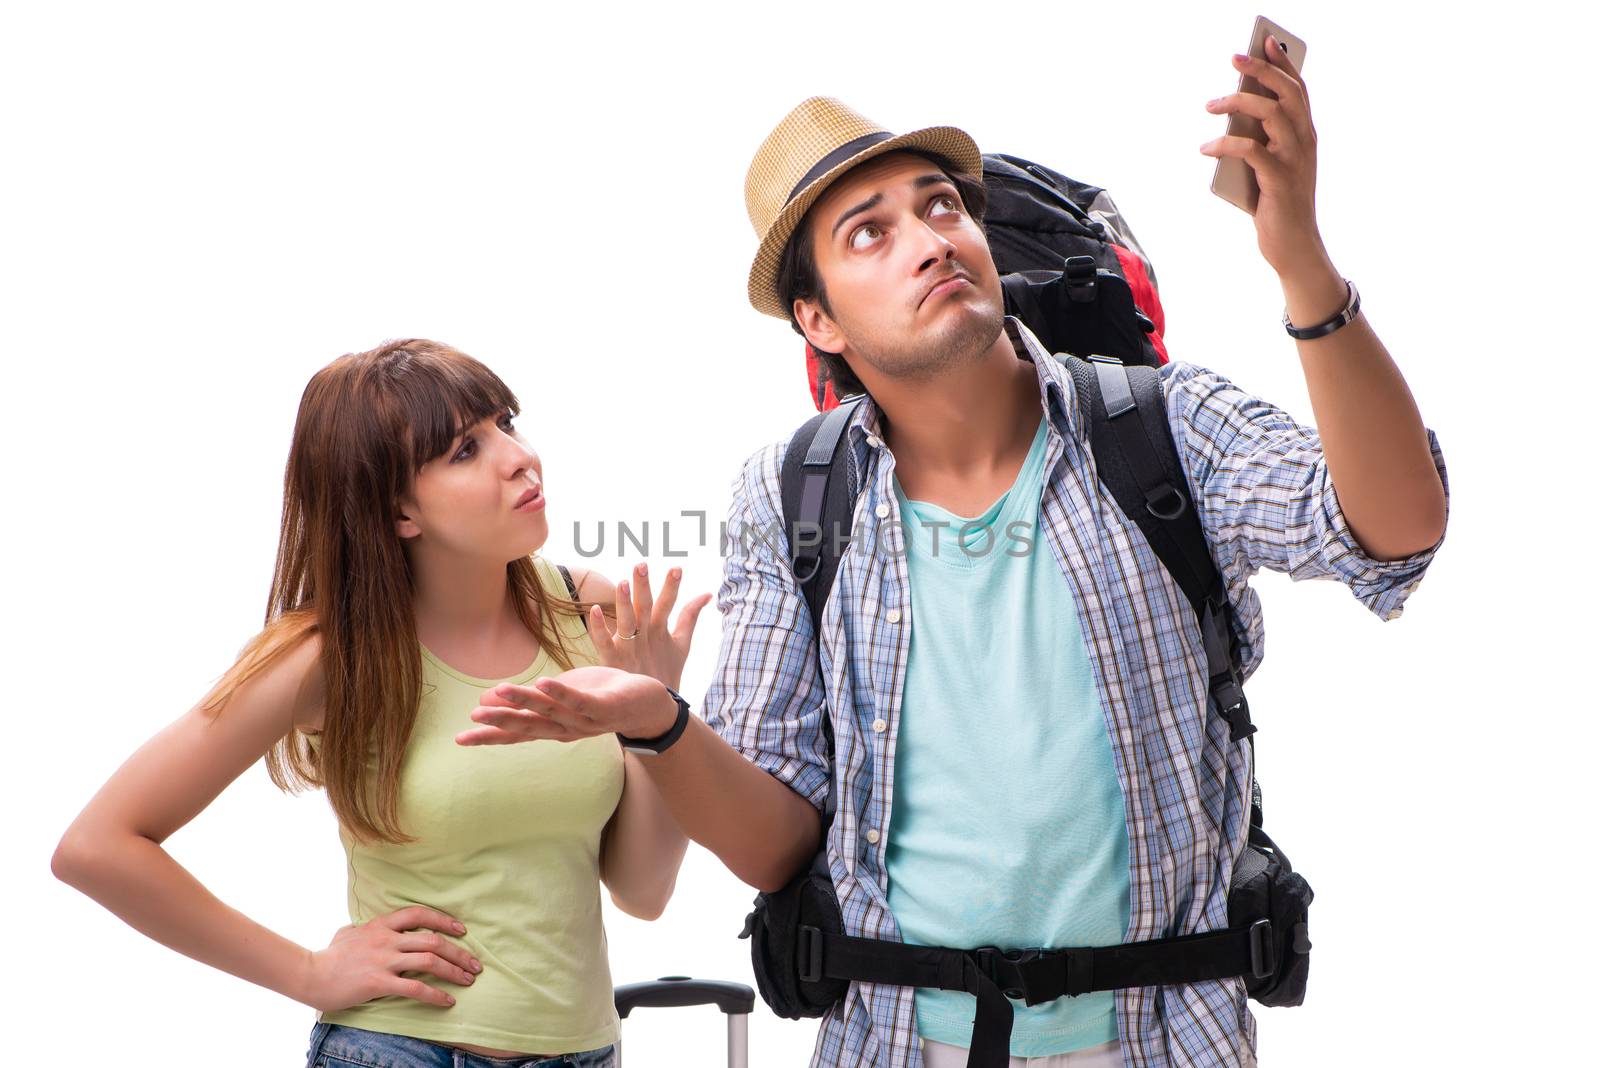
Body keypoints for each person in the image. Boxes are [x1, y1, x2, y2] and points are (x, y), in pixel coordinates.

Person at [446, 38, 1450, 1068]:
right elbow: (778, 841)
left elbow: (1391, 526)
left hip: (1163, 1038)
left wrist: (1298, 259)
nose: (929, 241)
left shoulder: (1165, 427)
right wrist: (661, 726)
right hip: (896, 1041)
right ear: (817, 320)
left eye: (939, 206)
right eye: (868, 234)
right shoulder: (789, 494)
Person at [50, 339, 708, 1068]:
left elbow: (643, 891)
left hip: (585, 1053)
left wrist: (656, 717)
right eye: (465, 449)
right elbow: (98, 847)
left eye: (506, 423)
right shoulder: (333, 655)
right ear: (398, 510)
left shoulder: (590, 614)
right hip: (402, 1050)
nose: (519, 457)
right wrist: (306, 972)